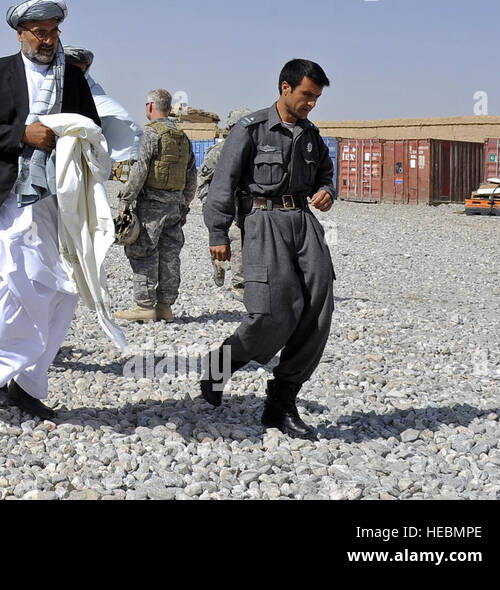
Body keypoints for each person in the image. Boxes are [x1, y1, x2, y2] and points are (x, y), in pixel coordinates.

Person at [0, 0, 101, 420]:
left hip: (60, 195)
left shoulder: (72, 78)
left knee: (61, 290)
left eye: (54, 31)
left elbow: (90, 127)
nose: (48, 39)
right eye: (40, 32)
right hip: (10, 193)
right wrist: (23, 135)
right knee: (22, 280)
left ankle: (27, 381)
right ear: (19, 33)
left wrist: (74, 140)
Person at [200, 59, 336, 440]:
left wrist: (328, 189)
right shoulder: (251, 130)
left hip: (304, 222)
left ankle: (281, 403)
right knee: (272, 312)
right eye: (307, 95)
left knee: (318, 308)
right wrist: (218, 233)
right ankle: (221, 364)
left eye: (317, 97)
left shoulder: (310, 134)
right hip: (262, 223)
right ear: (285, 88)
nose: (312, 103)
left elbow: (326, 172)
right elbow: (222, 185)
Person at [113, 89, 197, 322]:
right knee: (170, 254)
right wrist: (184, 206)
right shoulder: (182, 138)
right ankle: (165, 307)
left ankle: (144, 306)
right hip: (175, 206)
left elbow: (139, 172)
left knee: (143, 251)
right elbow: (192, 176)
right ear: (169, 108)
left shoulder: (148, 135)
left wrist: (125, 201)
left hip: (151, 206)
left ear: (150, 107)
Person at [197, 107, 252, 298]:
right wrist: (212, 208)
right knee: (237, 239)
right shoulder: (218, 152)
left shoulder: (253, 150)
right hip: (224, 205)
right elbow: (203, 182)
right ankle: (240, 284)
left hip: (247, 206)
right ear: (231, 128)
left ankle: (225, 264)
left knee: (246, 241)